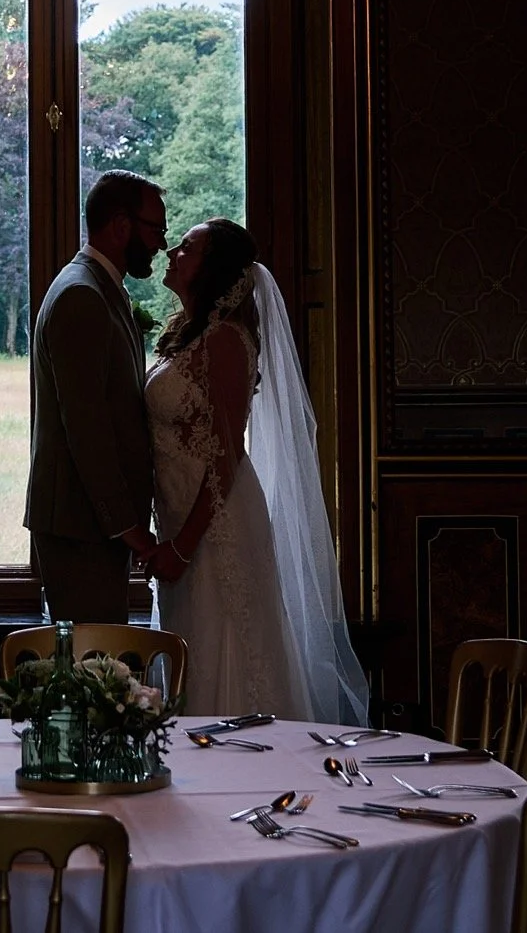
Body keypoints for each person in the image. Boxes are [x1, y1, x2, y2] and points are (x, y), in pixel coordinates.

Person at [146, 218, 371, 724]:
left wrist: (183, 546)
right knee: (194, 645)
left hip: (217, 525)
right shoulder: (192, 337)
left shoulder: (226, 340)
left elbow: (226, 457)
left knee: (227, 649)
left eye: (186, 249)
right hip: (181, 519)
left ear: (213, 270)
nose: (171, 254)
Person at [24, 169, 168, 622]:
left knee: (103, 664)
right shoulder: (81, 296)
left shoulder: (101, 288)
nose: (161, 244)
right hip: (80, 527)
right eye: (155, 229)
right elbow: (86, 426)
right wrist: (127, 525)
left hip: (93, 526)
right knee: (94, 668)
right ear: (121, 226)